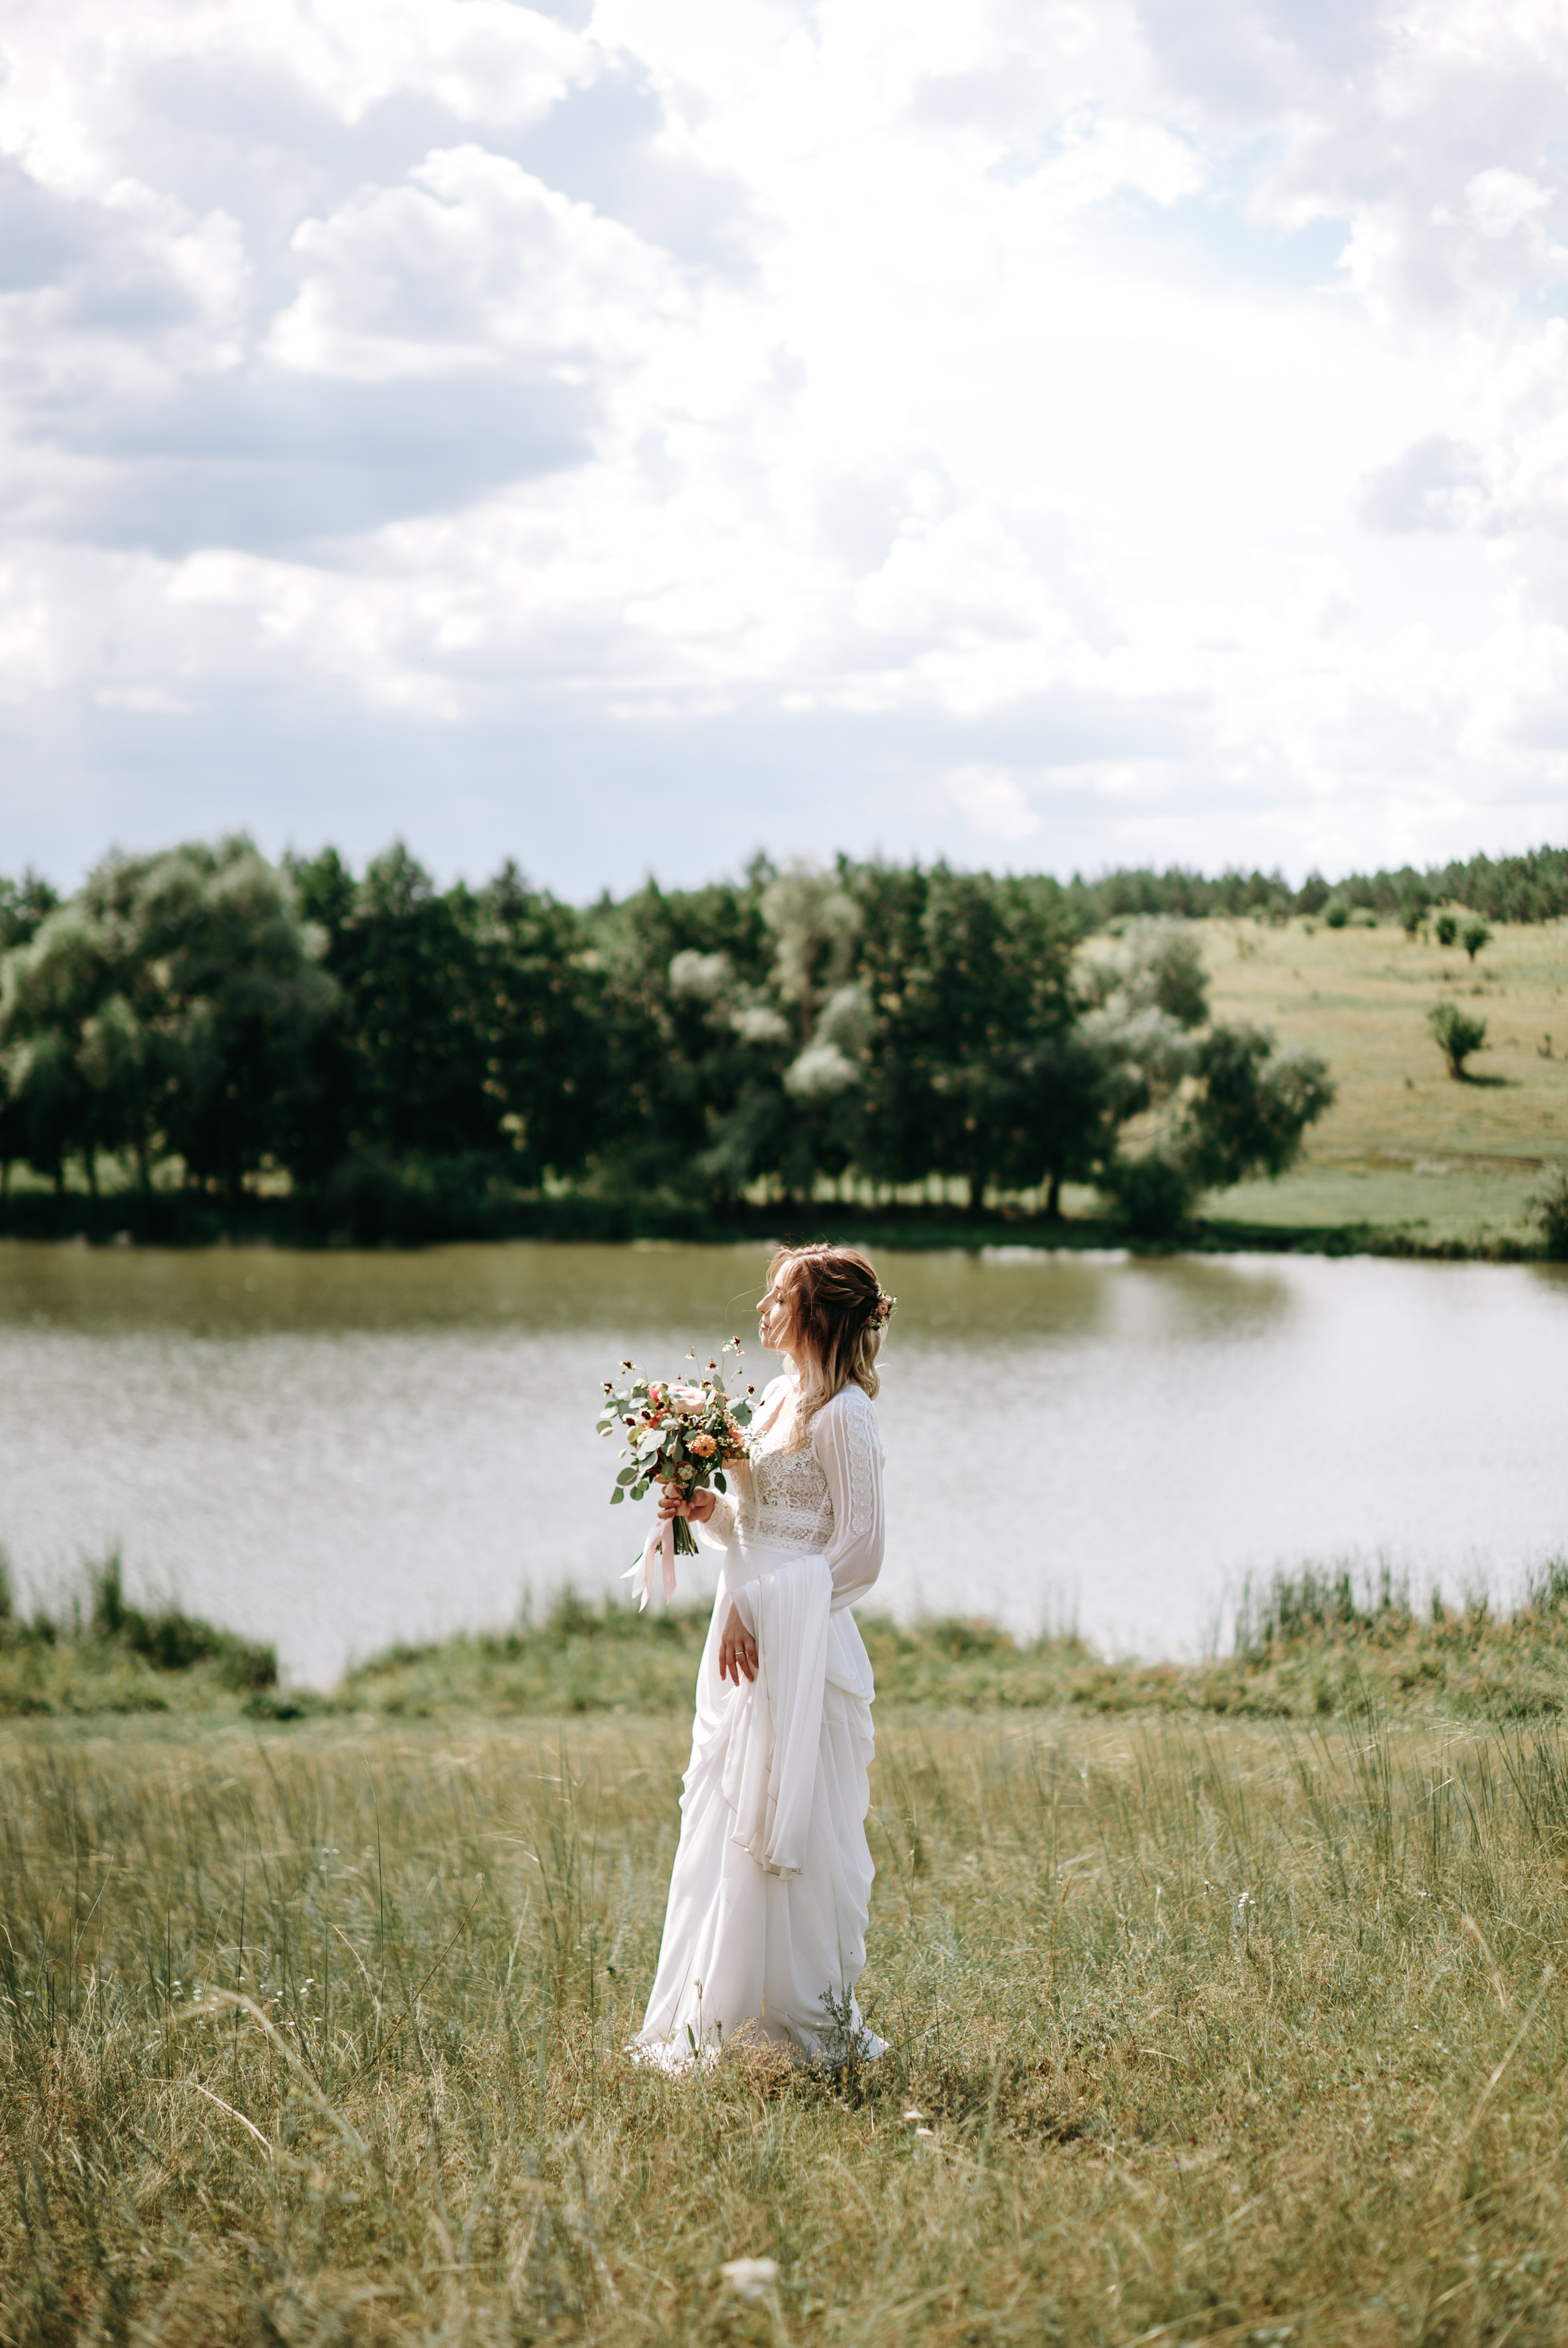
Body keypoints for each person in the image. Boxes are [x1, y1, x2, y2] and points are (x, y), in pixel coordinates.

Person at [630, 1242, 892, 2068]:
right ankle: (719, 2020)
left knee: (790, 1824)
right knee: (726, 1817)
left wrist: (764, 1607)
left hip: (797, 1646)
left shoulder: (846, 1413)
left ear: (816, 1311)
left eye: (778, 1294)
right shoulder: (780, 1396)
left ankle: (802, 2028)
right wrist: (707, 1510)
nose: (762, 1308)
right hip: (742, 1641)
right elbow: (759, 1522)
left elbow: (860, 1552)